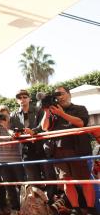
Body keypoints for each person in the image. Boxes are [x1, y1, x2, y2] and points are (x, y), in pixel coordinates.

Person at [41, 86, 96, 215]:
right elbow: (44, 127)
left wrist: (62, 114)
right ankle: (75, 209)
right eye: (56, 94)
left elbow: (81, 123)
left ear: (69, 94)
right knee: (67, 182)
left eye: (61, 93)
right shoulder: (52, 112)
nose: (59, 96)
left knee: (85, 181)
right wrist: (47, 112)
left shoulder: (79, 108)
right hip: (58, 151)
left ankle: (91, 210)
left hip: (77, 150)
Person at [9, 89, 57, 203]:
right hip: (25, 150)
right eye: (19, 98)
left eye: (25, 97)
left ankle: (51, 202)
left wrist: (33, 131)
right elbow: (10, 129)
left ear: (29, 99)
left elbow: (44, 126)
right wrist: (13, 133)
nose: (22, 99)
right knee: (33, 179)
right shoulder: (13, 114)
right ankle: (39, 204)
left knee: (49, 176)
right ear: (16, 100)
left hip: (42, 147)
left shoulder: (38, 110)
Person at [0, 105, 25, 214]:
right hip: (3, 160)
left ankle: (24, 207)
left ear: (9, 114)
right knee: (9, 186)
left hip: (16, 159)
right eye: (0, 114)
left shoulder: (14, 123)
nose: (2, 117)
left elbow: (16, 136)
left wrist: (6, 126)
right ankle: (15, 209)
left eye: (4, 114)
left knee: (21, 185)